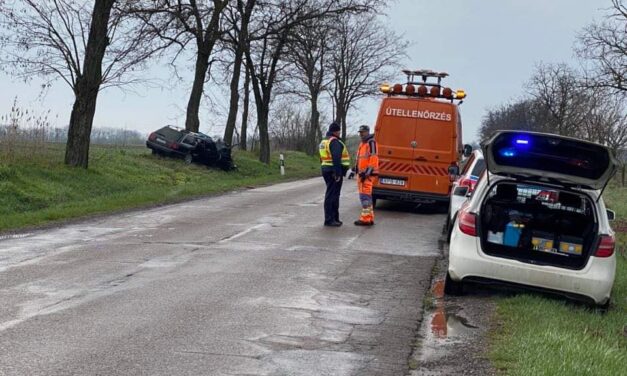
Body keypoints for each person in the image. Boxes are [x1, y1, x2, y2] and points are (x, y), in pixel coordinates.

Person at [319, 122, 350, 226]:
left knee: (332, 194)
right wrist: (337, 173)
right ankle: (330, 219)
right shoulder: (334, 142)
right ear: (336, 131)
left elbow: (321, 157)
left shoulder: (324, 141)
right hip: (333, 171)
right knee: (333, 195)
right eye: (339, 131)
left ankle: (334, 218)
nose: (339, 133)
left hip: (326, 169)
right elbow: (336, 158)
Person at [352, 125, 379, 226]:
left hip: (366, 175)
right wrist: (355, 168)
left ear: (367, 132)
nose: (361, 134)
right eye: (360, 132)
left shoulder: (371, 143)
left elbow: (373, 158)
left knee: (365, 196)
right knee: (366, 196)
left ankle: (365, 219)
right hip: (362, 174)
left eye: (362, 132)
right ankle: (369, 217)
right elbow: (361, 158)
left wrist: (367, 173)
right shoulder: (363, 144)